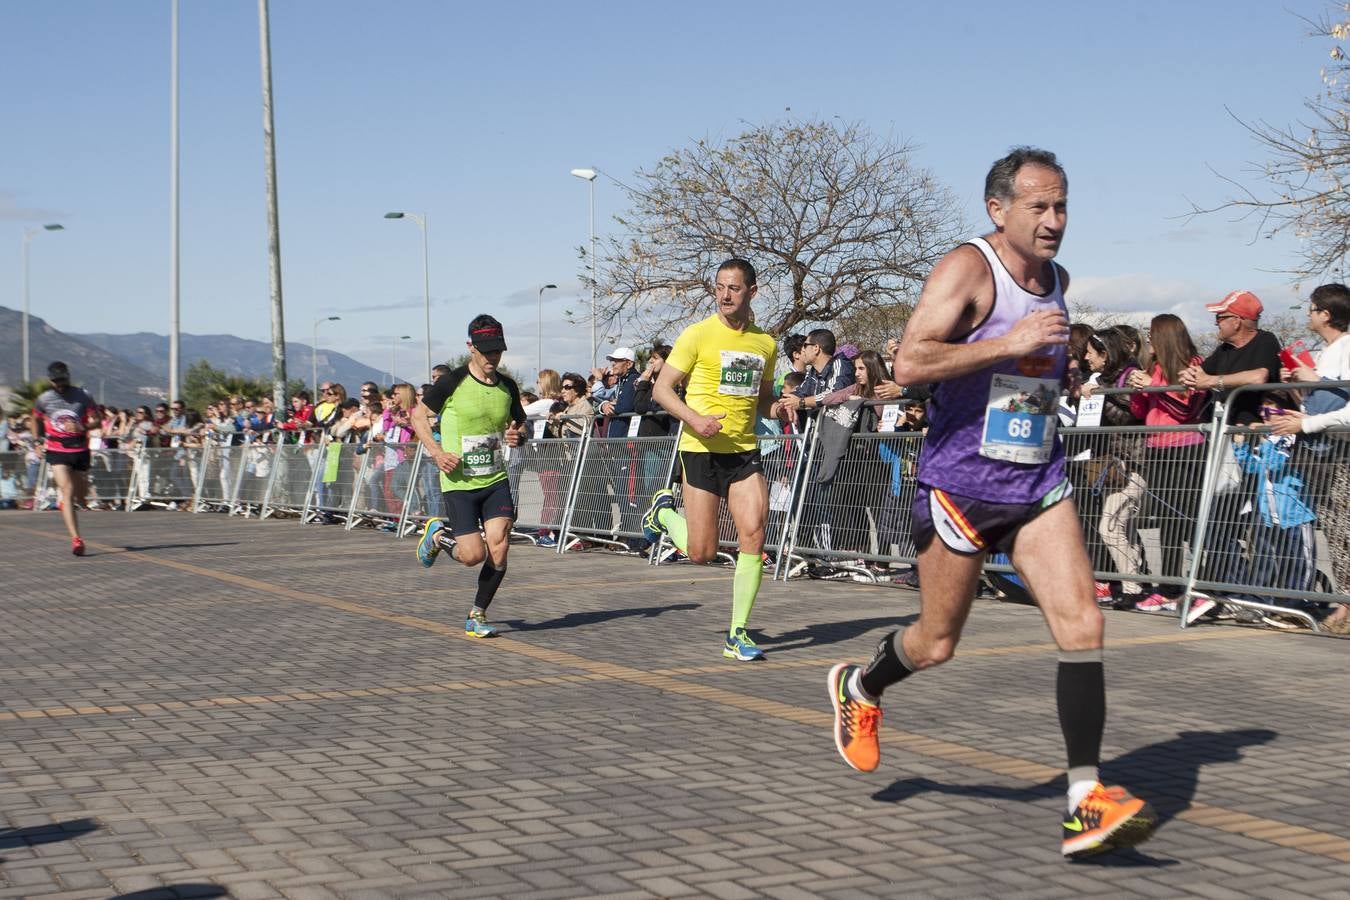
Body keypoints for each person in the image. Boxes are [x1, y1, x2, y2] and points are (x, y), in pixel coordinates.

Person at [825, 148, 1157, 859]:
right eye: (1038, 207)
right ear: (998, 209)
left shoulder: (1058, 279)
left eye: (1062, 205)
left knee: (1084, 624)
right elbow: (911, 365)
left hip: (1036, 481)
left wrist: (1050, 370)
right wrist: (1009, 341)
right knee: (937, 644)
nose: (1054, 221)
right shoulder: (966, 269)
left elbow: (1028, 364)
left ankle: (1084, 802)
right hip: (961, 484)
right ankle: (861, 683)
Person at [643, 257, 778, 661]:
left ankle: (738, 633)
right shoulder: (697, 335)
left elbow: (764, 401)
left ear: (752, 292)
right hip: (700, 450)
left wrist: (782, 408)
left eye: (734, 288)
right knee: (702, 552)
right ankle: (663, 515)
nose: (724, 294)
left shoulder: (765, 344)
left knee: (753, 534)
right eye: (720, 286)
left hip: (744, 452)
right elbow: (662, 391)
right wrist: (695, 419)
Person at [411, 314, 526, 638]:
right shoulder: (452, 382)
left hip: (493, 479)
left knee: (500, 547)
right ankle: (437, 536)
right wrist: (437, 452)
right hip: (459, 483)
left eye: (498, 350)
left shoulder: (508, 386)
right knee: (472, 556)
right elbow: (418, 416)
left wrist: (518, 434)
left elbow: (519, 423)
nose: (493, 357)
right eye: (486, 350)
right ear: (470, 347)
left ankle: (477, 614)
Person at [1268, 282, 1350, 633]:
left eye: (1313, 308)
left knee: (1344, 531)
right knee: (1335, 531)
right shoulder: (1326, 351)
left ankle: (1346, 608)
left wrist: (1310, 419)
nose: (1308, 314)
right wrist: (1298, 389)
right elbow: (1317, 405)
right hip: (1328, 452)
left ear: (1326, 314)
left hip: (1343, 451)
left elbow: (1343, 406)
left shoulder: (1346, 349)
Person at [1126, 315, 1209, 613]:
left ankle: (1202, 585)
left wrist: (1154, 386)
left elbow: (1187, 406)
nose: (1148, 341)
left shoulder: (1193, 363)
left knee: (1188, 519)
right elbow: (1140, 410)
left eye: (1151, 335)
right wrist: (1138, 389)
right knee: (1167, 522)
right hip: (1157, 449)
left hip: (1186, 449)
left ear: (1164, 337)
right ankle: (1169, 587)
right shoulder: (1153, 367)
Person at [32, 362, 101, 554]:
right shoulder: (44, 398)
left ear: (68, 375)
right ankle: (76, 539)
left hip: (80, 449)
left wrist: (82, 427)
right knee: (67, 490)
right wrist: (37, 442)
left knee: (80, 495)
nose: (59, 384)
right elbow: (35, 419)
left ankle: (75, 501)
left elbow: (97, 420)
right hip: (57, 449)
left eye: (62, 379)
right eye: (55, 381)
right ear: (50, 380)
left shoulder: (84, 395)